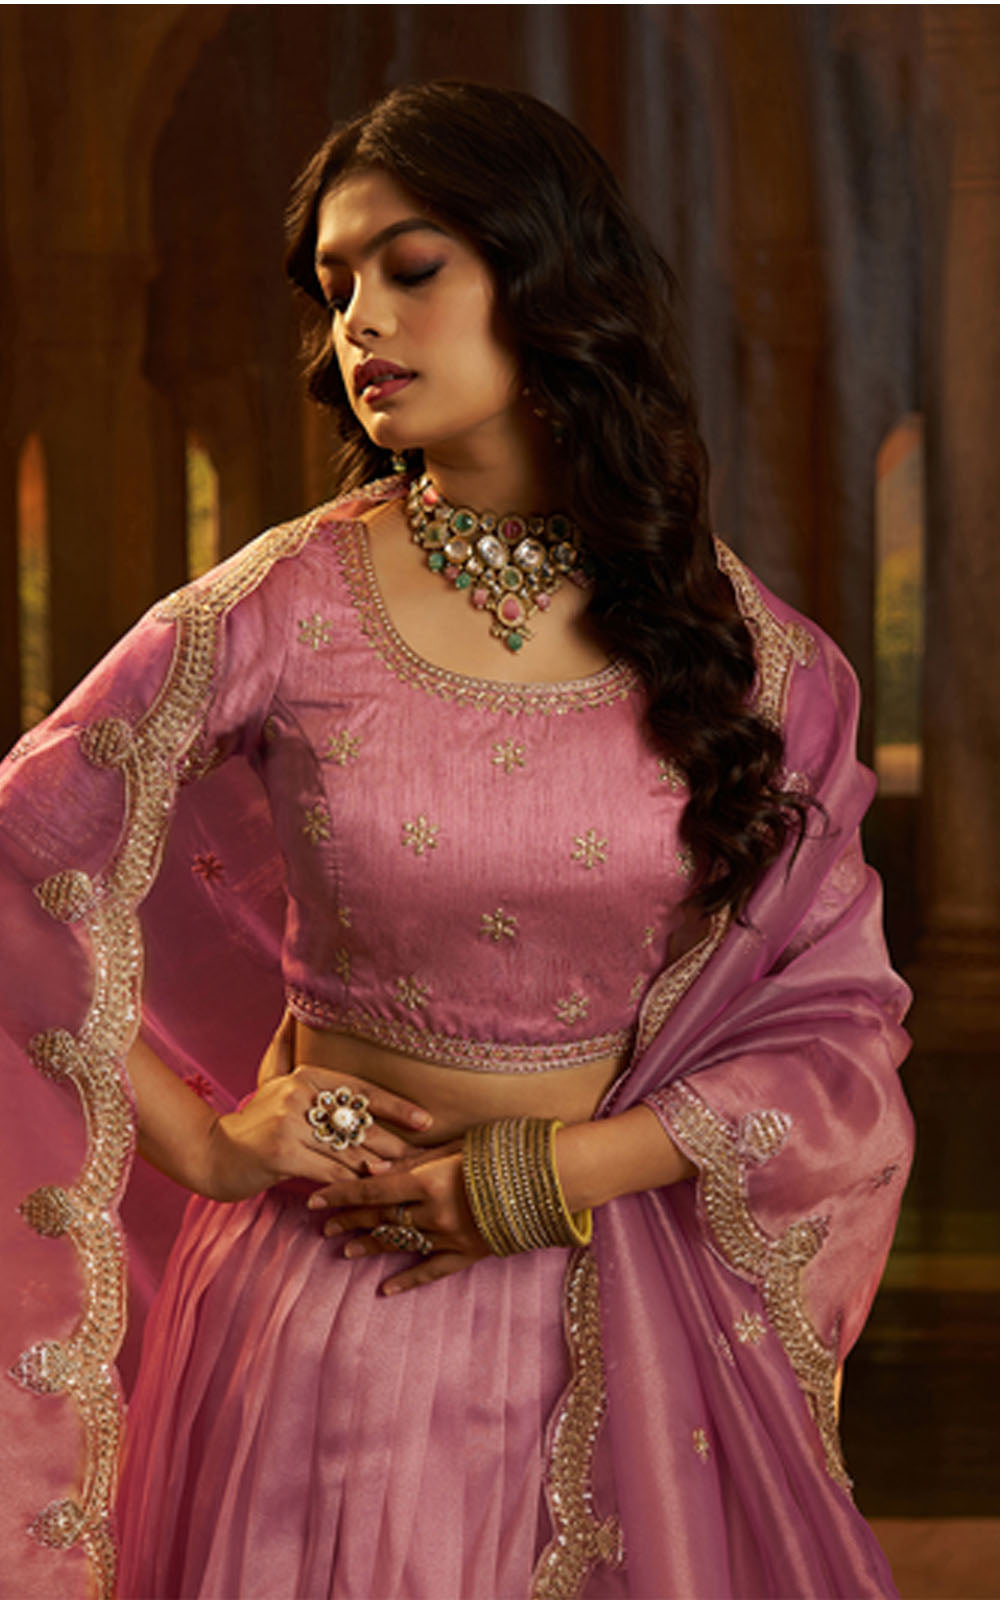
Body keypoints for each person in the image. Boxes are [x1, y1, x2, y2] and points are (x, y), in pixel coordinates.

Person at [0, 81, 913, 1600]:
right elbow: (22, 851)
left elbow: (834, 1039)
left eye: (411, 268)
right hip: (321, 1320)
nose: (360, 320)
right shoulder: (288, 603)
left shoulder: (748, 660)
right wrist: (210, 1143)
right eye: (336, 285)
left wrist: (551, 1175)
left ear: (547, 279)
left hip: (621, 1322)